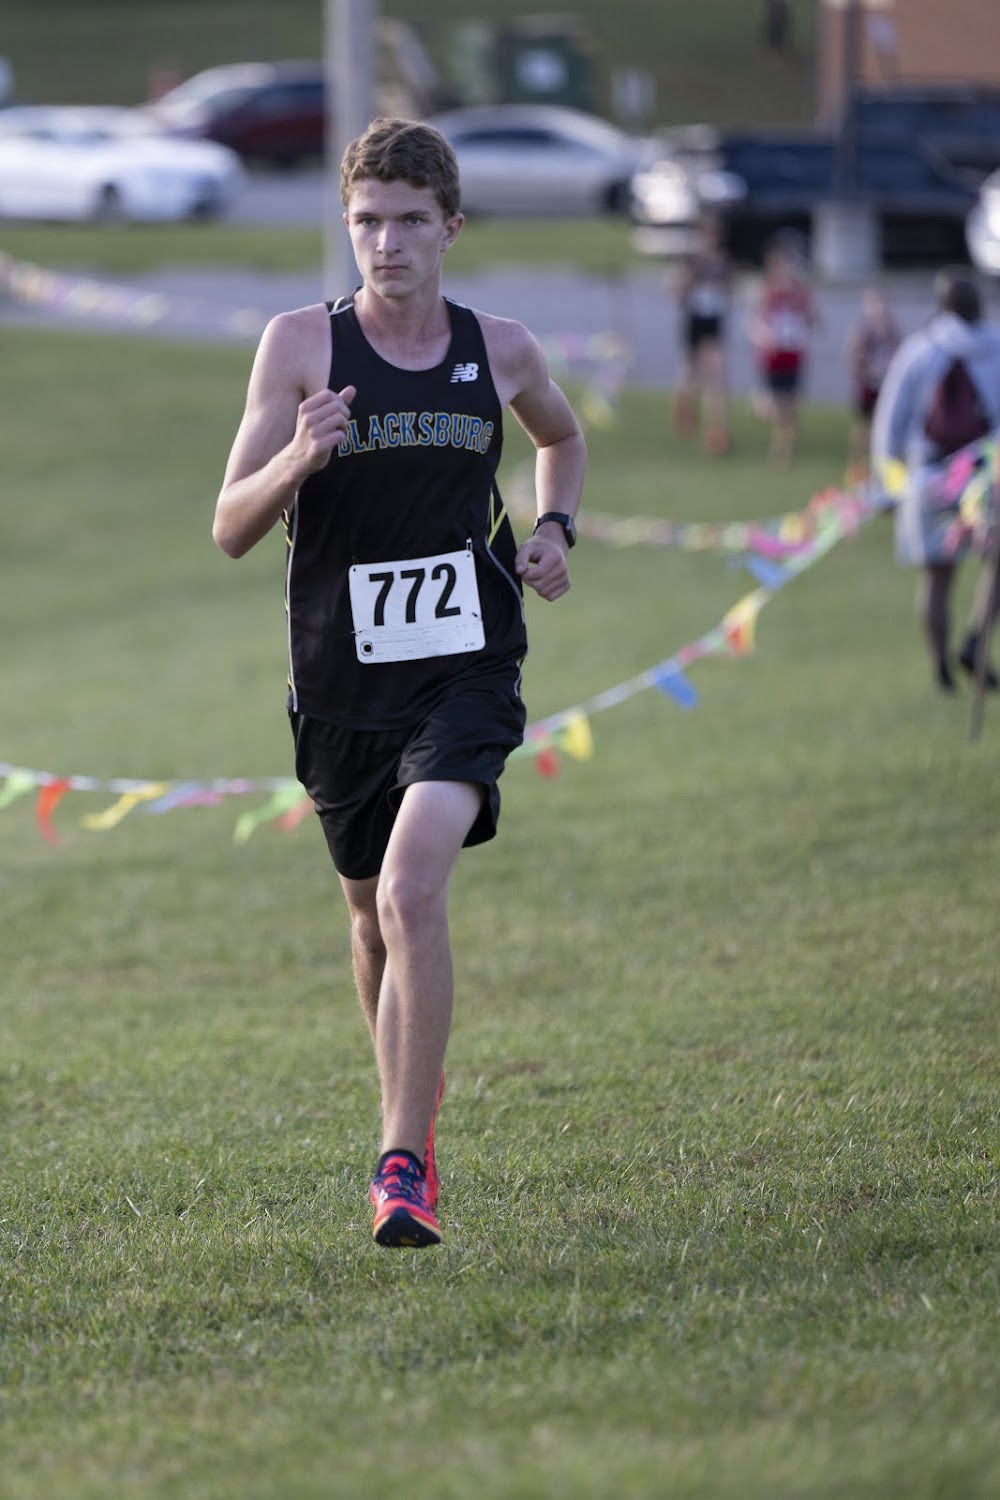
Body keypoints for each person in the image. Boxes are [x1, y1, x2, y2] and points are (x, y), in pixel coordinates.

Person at [213, 117, 586, 1248]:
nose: (388, 243)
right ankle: (407, 1099)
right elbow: (230, 526)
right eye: (369, 222)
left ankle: (402, 1164)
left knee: (411, 890)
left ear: (450, 228)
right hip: (338, 685)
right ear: (347, 225)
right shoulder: (299, 346)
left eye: (411, 222)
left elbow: (560, 439)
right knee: (370, 921)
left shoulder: (500, 350)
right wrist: (298, 455)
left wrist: (555, 529)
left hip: (467, 671)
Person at [872, 268, 1000, 694]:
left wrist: (888, 485)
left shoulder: (919, 350)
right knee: (992, 560)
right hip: (981, 472)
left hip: (929, 474)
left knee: (936, 576)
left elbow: (890, 425)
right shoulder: (994, 346)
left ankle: (941, 666)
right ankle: (976, 638)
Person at [749, 236, 818, 467]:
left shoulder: (801, 293)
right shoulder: (767, 291)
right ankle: (760, 403)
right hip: (772, 355)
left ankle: (782, 452)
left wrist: (805, 321)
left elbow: (813, 320)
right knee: (772, 408)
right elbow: (754, 322)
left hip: (794, 354)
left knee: (790, 405)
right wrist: (764, 336)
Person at [672, 214, 732, 455]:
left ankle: (716, 430)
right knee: (690, 373)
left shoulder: (723, 263)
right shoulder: (691, 262)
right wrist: (691, 280)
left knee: (715, 375)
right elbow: (677, 291)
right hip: (695, 321)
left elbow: (729, 292)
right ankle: (684, 412)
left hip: (713, 322)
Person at [844, 285, 901, 484]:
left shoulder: (891, 331)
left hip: (885, 385)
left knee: (884, 425)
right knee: (863, 425)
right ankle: (857, 465)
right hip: (867, 383)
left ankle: (880, 468)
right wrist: (866, 369)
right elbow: (853, 356)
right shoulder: (863, 331)